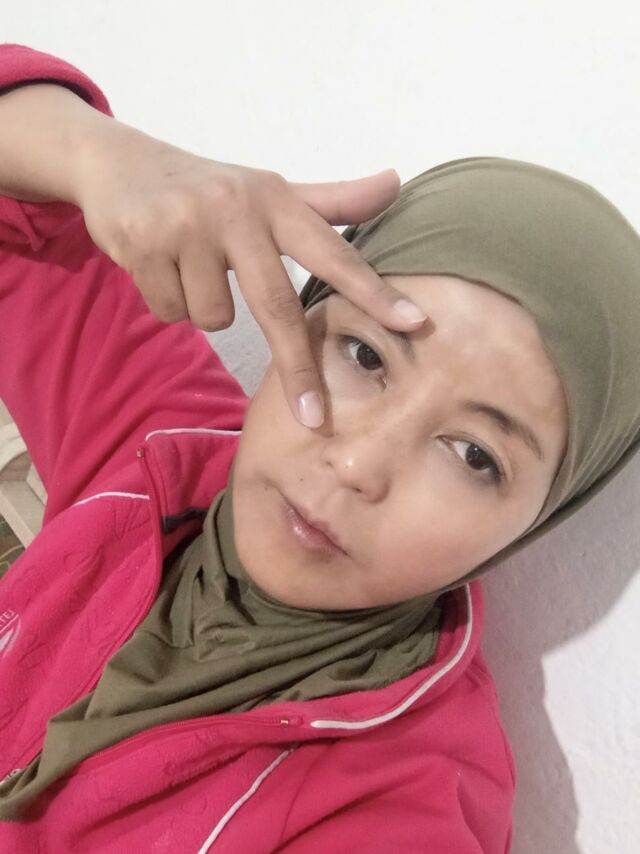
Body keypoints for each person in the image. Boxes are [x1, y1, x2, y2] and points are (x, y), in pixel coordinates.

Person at [0, 42, 638, 854]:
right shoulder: (162, 441)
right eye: (365, 355)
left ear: (538, 521)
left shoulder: (395, 811)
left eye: (475, 455)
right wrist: (104, 157)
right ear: (302, 313)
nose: (357, 464)